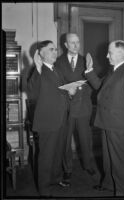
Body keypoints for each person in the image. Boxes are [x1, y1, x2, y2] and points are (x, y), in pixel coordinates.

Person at [85, 40, 124, 196]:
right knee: (108, 159)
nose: (106, 55)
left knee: (119, 161)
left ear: (119, 54)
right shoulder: (113, 71)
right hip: (106, 122)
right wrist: (89, 71)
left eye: (109, 52)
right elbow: (99, 87)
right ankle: (109, 185)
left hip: (118, 125)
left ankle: (121, 191)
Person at [27, 40, 73, 196]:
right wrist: (38, 68)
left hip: (61, 119)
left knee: (58, 153)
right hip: (48, 122)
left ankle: (55, 178)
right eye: (51, 49)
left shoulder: (56, 70)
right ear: (41, 54)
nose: (55, 52)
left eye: (55, 49)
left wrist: (69, 92)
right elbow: (32, 93)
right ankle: (44, 189)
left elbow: (59, 91)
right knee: (46, 157)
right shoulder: (38, 72)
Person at [56, 33, 96, 185]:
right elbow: (55, 85)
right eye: (72, 43)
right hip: (66, 109)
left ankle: (88, 164)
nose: (75, 45)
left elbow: (94, 83)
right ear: (65, 45)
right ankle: (67, 170)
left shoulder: (87, 60)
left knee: (86, 139)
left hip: (83, 107)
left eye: (77, 42)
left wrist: (80, 90)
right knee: (65, 142)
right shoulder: (58, 62)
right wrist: (67, 92)